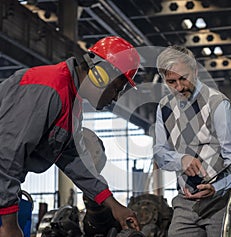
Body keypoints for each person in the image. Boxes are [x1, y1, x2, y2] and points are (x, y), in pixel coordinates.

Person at [0, 36, 141, 237]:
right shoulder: (49, 88)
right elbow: (5, 156)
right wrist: (9, 225)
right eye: (117, 87)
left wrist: (112, 204)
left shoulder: (70, 101)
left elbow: (74, 159)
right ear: (100, 74)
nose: (116, 97)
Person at [153, 45, 231, 237]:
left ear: (195, 71)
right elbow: (159, 154)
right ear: (163, 79)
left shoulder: (218, 104)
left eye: (183, 78)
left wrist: (217, 187)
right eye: (171, 81)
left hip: (220, 203)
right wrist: (180, 160)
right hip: (184, 204)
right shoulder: (164, 107)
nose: (179, 87)